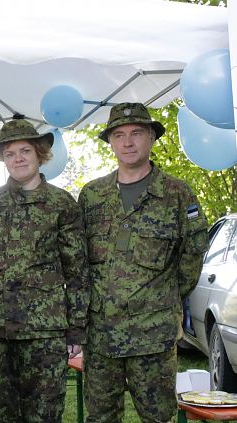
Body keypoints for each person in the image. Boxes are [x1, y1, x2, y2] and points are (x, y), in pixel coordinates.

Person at [78, 103, 209, 423]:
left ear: (151, 138)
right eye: (119, 135)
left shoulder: (177, 193)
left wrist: (163, 297)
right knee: (101, 418)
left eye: (137, 133)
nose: (128, 142)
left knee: (158, 417)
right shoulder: (92, 195)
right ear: (110, 142)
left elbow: (193, 252)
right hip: (101, 335)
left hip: (153, 335)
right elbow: (78, 258)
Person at [0, 118, 89, 423]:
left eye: (25, 151)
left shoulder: (62, 203)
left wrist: (75, 327)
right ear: (3, 159)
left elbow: (76, 270)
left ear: (40, 155)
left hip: (43, 329)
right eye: (10, 154)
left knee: (44, 413)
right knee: (2, 412)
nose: (18, 159)